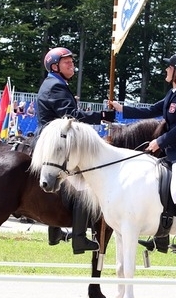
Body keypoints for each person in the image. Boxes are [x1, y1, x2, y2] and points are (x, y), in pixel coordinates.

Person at [111, 52, 176, 253]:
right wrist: (122, 109)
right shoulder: (173, 93)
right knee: (157, 186)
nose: (166, 69)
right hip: (174, 153)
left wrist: (159, 141)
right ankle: (161, 236)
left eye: (169, 67)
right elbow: (150, 111)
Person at [36, 47, 116, 255]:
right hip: (55, 143)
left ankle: (55, 231)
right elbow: (71, 115)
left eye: (72, 61)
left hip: (57, 140)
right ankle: (79, 238)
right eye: (67, 62)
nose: (72, 64)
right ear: (55, 66)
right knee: (84, 184)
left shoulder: (56, 84)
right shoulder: (55, 86)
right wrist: (102, 116)